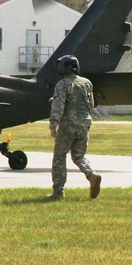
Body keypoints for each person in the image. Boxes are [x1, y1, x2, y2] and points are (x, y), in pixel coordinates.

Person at [48, 55, 102, 200]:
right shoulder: (87, 83)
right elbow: (90, 104)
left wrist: (53, 125)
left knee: (59, 156)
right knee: (79, 156)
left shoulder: (63, 84)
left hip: (68, 125)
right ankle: (92, 175)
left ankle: (58, 191)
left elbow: (58, 106)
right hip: (85, 124)